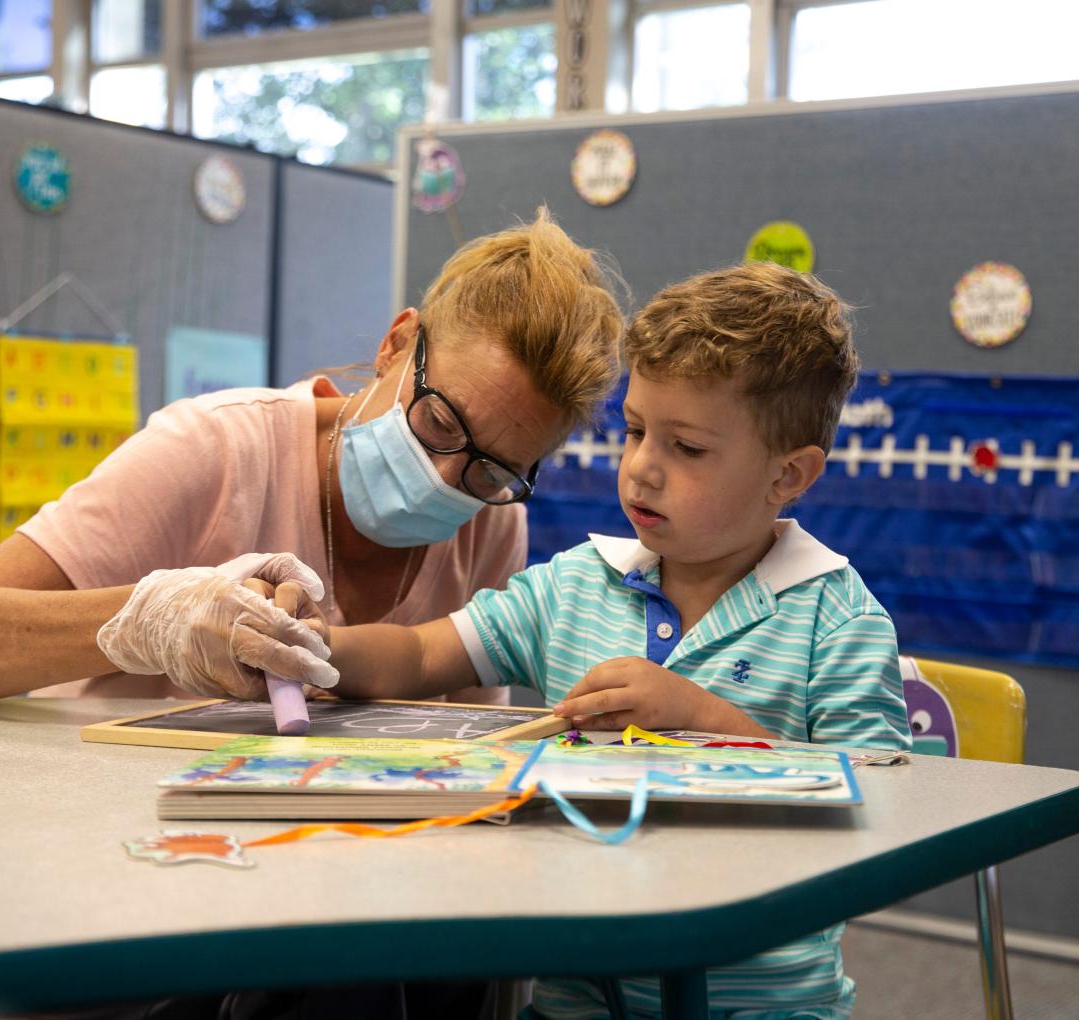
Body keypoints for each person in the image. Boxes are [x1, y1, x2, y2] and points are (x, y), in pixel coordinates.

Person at [305, 262, 912, 1019]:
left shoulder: (838, 620)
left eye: (687, 448)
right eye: (634, 430)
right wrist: (313, 647)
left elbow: (887, 817)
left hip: (762, 1008)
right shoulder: (575, 584)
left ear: (789, 475)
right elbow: (423, 654)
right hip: (573, 1004)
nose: (642, 468)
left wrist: (702, 719)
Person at [0, 210, 625, 706]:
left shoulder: (490, 524)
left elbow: (457, 757)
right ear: (397, 344)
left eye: (492, 470)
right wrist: (148, 618)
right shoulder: (214, 449)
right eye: (438, 422)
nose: (445, 478)